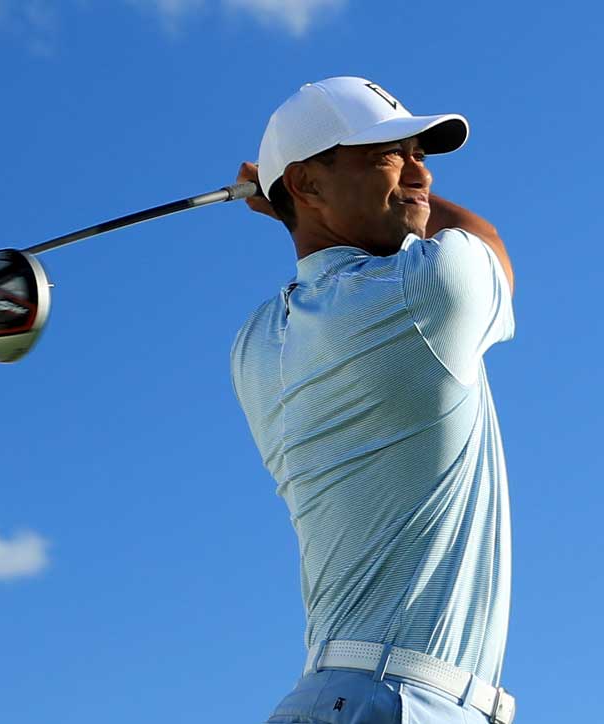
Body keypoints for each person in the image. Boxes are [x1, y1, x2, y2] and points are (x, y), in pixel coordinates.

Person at [229, 77, 517, 724]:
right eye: (390, 153)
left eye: (420, 152)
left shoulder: (254, 345)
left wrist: (294, 206)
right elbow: (489, 243)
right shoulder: (427, 291)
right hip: (406, 702)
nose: (423, 175)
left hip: (328, 696)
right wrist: (282, 205)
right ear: (308, 183)